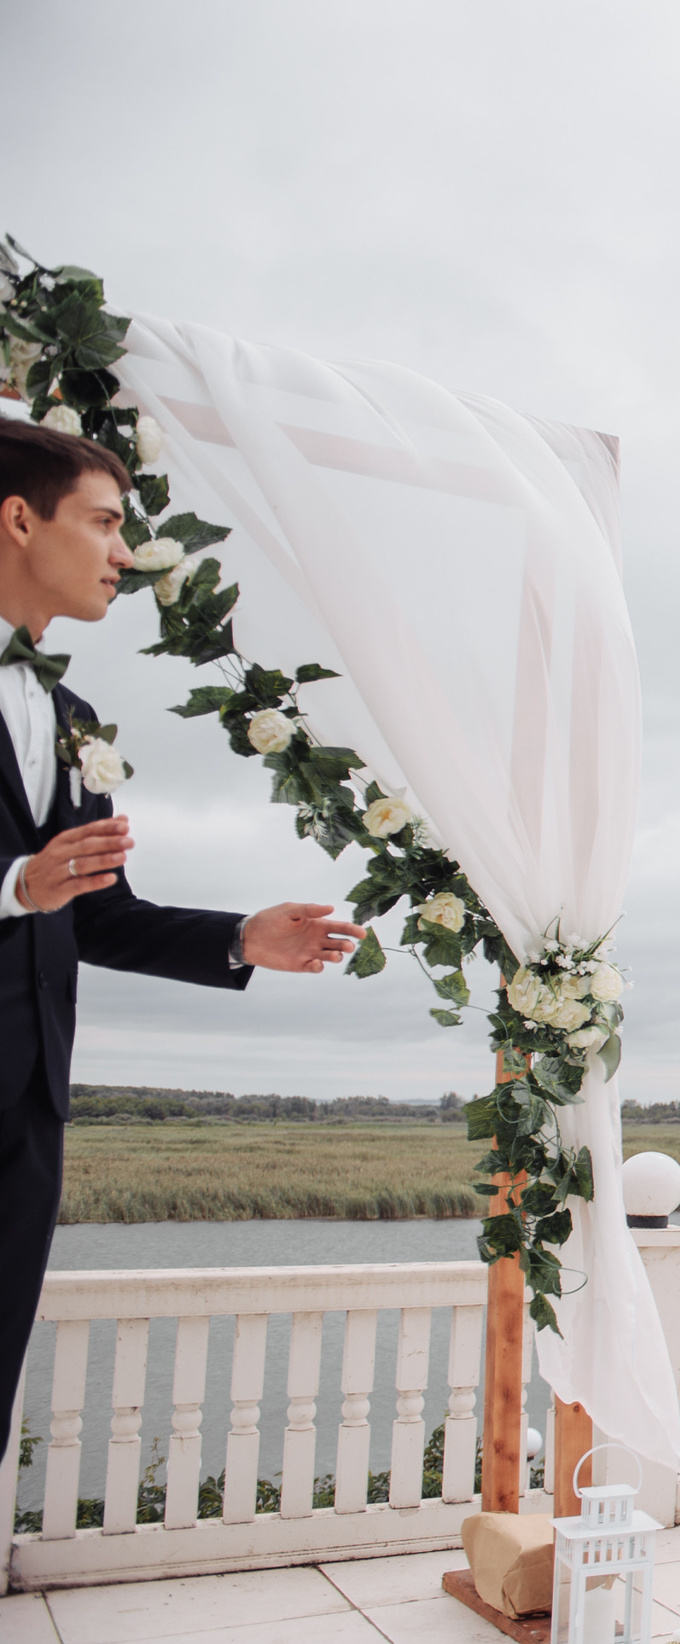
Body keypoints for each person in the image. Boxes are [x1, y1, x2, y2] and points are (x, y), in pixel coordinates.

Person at [0, 420, 365, 1436]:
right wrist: (12, 887)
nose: (125, 552)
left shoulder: (68, 711)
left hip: (26, 1111)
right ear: (20, 519)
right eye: (106, 522)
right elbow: (31, 890)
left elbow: (96, 914)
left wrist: (240, 939)